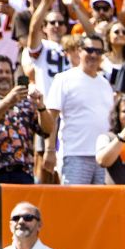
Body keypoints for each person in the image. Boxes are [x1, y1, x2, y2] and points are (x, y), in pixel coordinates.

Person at [47, 35, 116, 185]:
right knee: (74, 205)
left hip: (103, 157)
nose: (94, 55)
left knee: (103, 206)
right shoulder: (63, 79)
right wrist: (50, 150)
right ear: (79, 51)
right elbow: (51, 117)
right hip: (75, 154)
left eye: (98, 51)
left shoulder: (105, 84)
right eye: (89, 50)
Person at [0, 55, 53, 184]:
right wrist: (7, 102)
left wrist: (41, 107)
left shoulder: (26, 103)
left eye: (8, 72)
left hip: (23, 173)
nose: (4, 75)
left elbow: (47, 130)